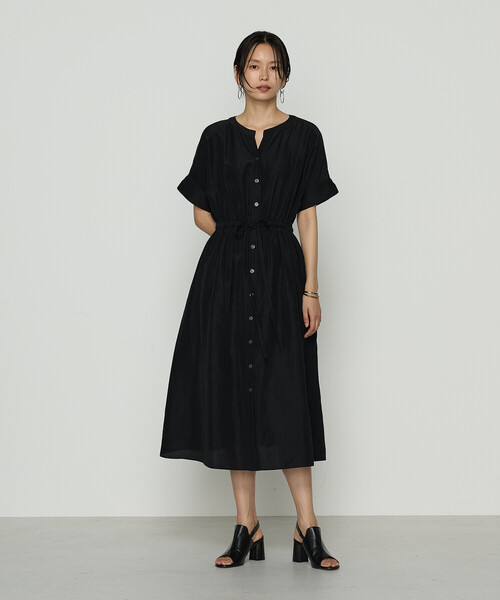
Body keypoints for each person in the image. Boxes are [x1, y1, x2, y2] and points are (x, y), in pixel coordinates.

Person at [160, 31, 340, 570]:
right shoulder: (216, 138)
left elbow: (307, 216)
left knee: (287, 395)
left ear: (284, 75)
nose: (264, 75)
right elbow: (200, 210)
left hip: (284, 276)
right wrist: (236, 240)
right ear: (239, 72)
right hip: (226, 280)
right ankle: (247, 525)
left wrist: (310, 287)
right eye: (254, 65)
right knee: (236, 394)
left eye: (273, 66)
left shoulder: (305, 136)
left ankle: (307, 526)